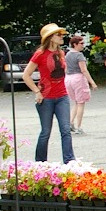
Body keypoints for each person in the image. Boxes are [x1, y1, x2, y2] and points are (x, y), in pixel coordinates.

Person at [23, 23, 75, 163]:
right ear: (50, 38)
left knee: (65, 130)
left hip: (62, 96)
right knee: (46, 132)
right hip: (46, 98)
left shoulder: (61, 53)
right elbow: (26, 75)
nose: (61, 36)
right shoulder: (40, 54)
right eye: (58, 34)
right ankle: (40, 162)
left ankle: (69, 161)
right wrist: (37, 92)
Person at [64, 35, 98, 136]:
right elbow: (84, 70)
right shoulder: (79, 55)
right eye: (81, 43)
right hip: (78, 79)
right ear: (75, 44)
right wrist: (92, 82)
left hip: (68, 78)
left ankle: (70, 122)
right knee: (81, 103)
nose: (83, 45)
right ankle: (79, 126)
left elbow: (65, 68)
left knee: (76, 102)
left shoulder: (68, 54)